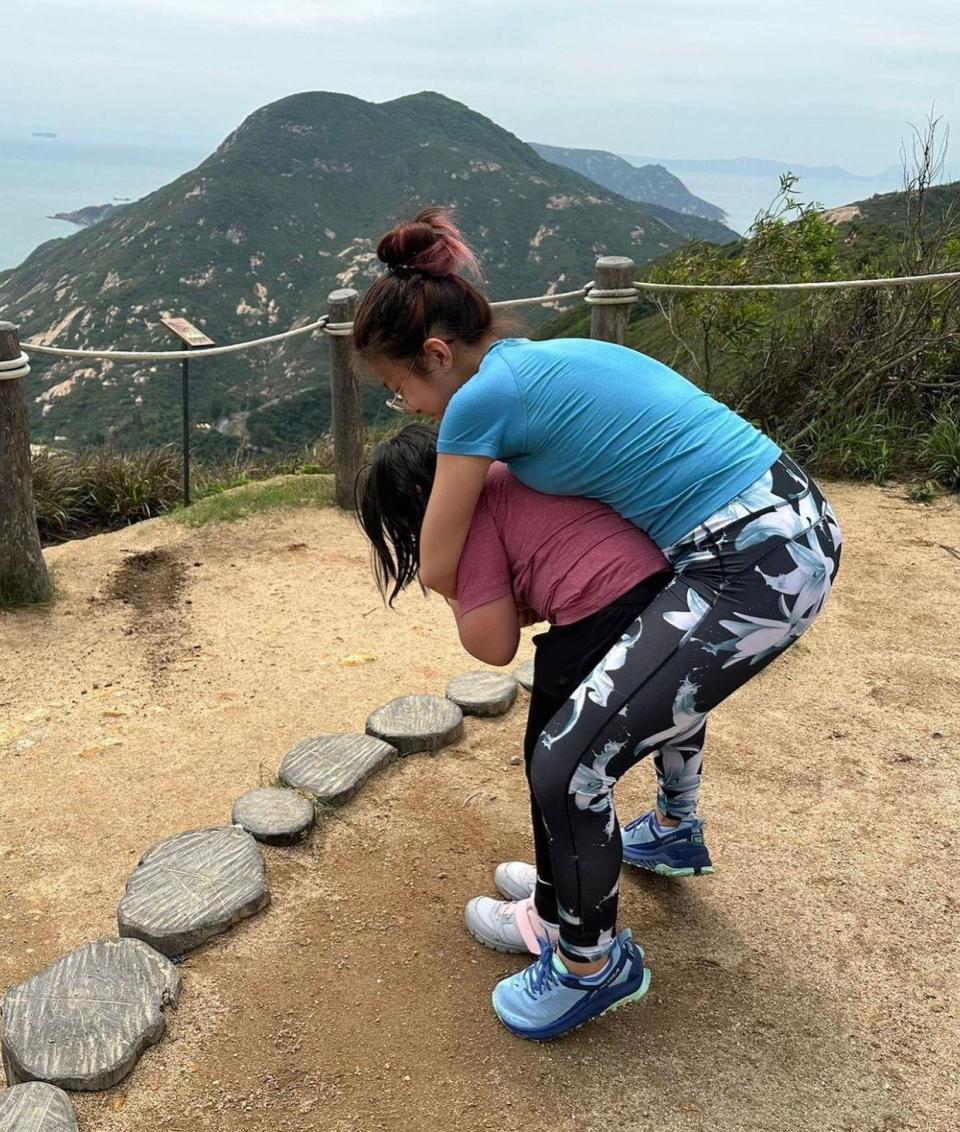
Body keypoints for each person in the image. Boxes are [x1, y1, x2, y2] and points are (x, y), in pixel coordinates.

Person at [351, 207, 842, 1041]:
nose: (409, 405)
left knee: (565, 764)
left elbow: (437, 559)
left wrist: (478, 564)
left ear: (437, 355)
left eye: (400, 387)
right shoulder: (546, 360)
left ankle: (590, 965)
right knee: (655, 686)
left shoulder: (477, 404)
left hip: (748, 562)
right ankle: (676, 831)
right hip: (791, 521)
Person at [355, 423, 713, 949]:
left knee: (553, 769)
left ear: (417, 499)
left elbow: (493, 645)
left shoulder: (463, 519)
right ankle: (673, 823)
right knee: (677, 715)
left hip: (596, 621)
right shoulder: (514, 472)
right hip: (673, 594)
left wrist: (452, 584)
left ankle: (552, 915)